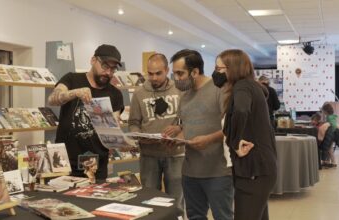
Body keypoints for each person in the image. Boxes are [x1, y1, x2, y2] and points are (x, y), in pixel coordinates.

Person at [170, 49, 233, 220]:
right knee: (195, 216)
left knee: (223, 217)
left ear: (195, 72)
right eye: (174, 73)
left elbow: (231, 127)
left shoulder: (219, 89)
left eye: (180, 73)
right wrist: (176, 140)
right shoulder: (184, 97)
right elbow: (187, 128)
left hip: (218, 171)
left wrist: (209, 139)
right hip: (190, 171)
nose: (176, 78)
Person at [48, 44, 124, 181]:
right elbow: (52, 99)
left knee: (97, 202)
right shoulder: (72, 79)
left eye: (113, 69)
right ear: (93, 60)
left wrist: (116, 136)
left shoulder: (115, 94)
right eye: (105, 66)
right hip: (65, 161)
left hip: (96, 165)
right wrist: (75, 93)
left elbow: (114, 129)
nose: (108, 73)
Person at [217, 49, 277, 220]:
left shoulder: (242, 86)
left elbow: (242, 110)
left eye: (220, 69)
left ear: (232, 68)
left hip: (254, 170)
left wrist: (235, 142)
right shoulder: (252, 86)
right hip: (260, 168)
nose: (217, 73)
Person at [128, 53, 184, 212]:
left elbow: (190, 120)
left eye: (158, 73)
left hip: (176, 154)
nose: (153, 78)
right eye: (150, 73)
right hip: (149, 155)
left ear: (167, 70)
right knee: (149, 201)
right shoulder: (139, 93)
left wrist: (179, 128)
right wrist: (137, 135)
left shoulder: (180, 90)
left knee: (176, 201)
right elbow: (133, 123)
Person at [321, 103, 337, 167]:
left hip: (331, 134)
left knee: (328, 148)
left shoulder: (329, 117)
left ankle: (333, 162)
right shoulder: (332, 116)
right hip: (333, 134)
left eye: (323, 111)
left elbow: (330, 125)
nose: (323, 113)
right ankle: (329, 161)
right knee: (329, 148)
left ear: (326, 111)